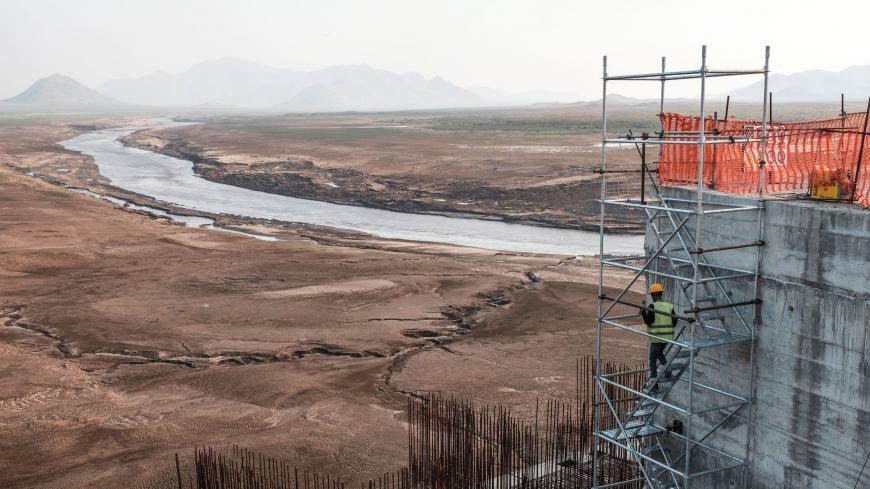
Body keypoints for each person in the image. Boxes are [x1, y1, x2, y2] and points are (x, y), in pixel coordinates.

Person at [639, 283, 676, 382]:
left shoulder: (652, 306)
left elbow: (648, 322)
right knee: (659, 353)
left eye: (652, 295)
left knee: (653, 358)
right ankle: (667, 369)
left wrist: (643, 312)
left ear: (655, 295)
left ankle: (653, 378)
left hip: (656, 337)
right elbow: (675, 322)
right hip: (667, 337)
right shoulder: (669, 306)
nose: (651, 296)